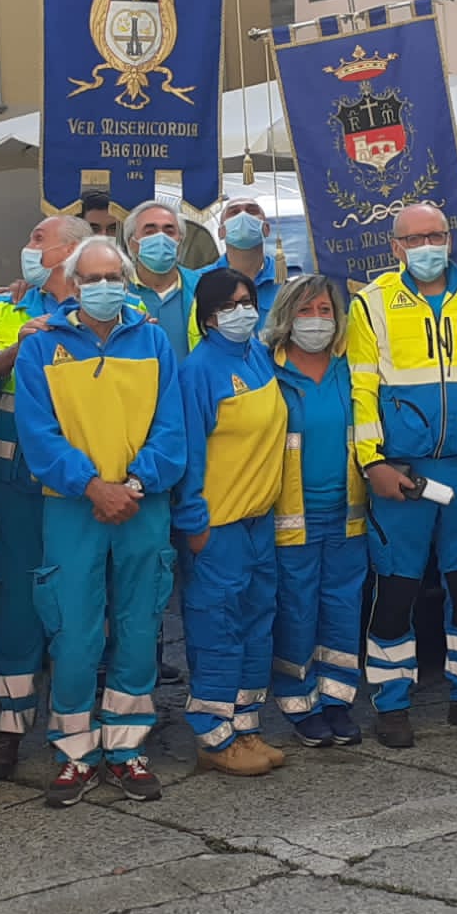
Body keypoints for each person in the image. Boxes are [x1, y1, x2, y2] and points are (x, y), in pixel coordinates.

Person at [14, 235, 186, 805]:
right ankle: (74, 752)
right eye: (91, 278)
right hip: (73, 508)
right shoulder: (42, 347)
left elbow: (171, 427)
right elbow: (37, 435)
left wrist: (133, 483)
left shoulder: (154, 340)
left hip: (142, 504)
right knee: (74, 631)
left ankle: (127, 749)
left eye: (113, 275)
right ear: (71, 284)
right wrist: (91, 485)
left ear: (128, 280)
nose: (104, 286)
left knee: (139, 627)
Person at [348, 201, 457, 747]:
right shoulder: (371, 303)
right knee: (397, 590)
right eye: (414, 238)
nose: (428, 246)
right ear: (395, 248)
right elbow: (362, 389)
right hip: (403, 472)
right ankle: (392, 703)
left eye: (436, 235)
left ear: (450, 239)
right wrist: (372, 462)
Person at [0, 214, 92, 775]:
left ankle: (81, 727)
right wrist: (12, 352)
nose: (26, 247)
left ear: (70, 252)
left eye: (37, 239)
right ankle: (10, 726)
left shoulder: (109, 311)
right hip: (16, 484)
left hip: (80, 479)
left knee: (84, 602)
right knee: (16, 603)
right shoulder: (3, 311)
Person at [176, 268, 290, 775]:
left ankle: (245, 725)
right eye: (230, 305)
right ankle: (213, 736)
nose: (244, 311)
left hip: (257, 519)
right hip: (217, 524)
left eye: (248, 301)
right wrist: (194, 521)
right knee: (217, 628)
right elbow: (190, 452)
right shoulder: (198, 370)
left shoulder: (258, 356)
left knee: (256, 624)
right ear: (206, 319)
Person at [265, 274, 367, 746]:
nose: (317, 320)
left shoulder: (353, 367)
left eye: (325, 310)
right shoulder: (267, 368)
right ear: (287, 315)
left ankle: (337, 701)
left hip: (348, 513)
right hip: (291, 517)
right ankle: (299, 702)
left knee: (342, 609)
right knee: (297, 611)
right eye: (306, 311)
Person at [126, 200, 198, 359]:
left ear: (180, 242)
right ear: (132, 244)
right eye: (150, 231)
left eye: (169, 231)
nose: (161, 237)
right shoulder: (116, 292)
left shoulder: (203, 287)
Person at [203, 191, 280, 327]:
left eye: (251, 211)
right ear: (221, 232)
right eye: (234, 212)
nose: (243, 215)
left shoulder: (286, 281)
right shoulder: (200, 280)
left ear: (266, 229)